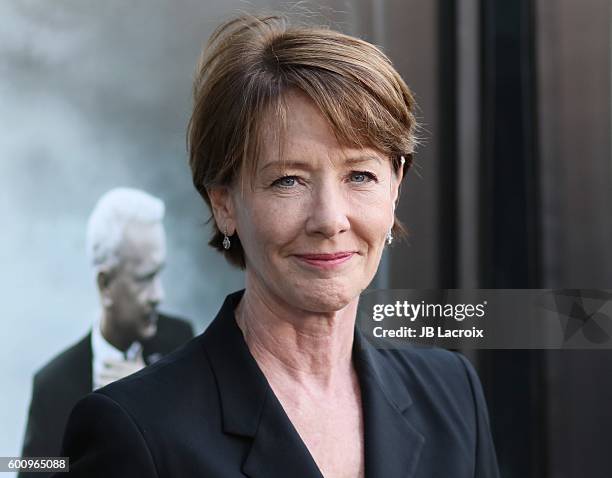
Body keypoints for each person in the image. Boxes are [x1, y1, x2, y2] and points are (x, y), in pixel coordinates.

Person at [56, 15, 499, 477]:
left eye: (360, 176)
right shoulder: (134, 430)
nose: (330, 219)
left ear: (395, 187)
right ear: (224, 203)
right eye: (288, 180)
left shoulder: (452, 395)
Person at [20, 188, 193, 477]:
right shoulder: (52, 385)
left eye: (159, 273)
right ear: (105, 285)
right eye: (144, 279)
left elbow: (206, 455)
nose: (158, 295)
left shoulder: (181, 340)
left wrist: (146, 401)